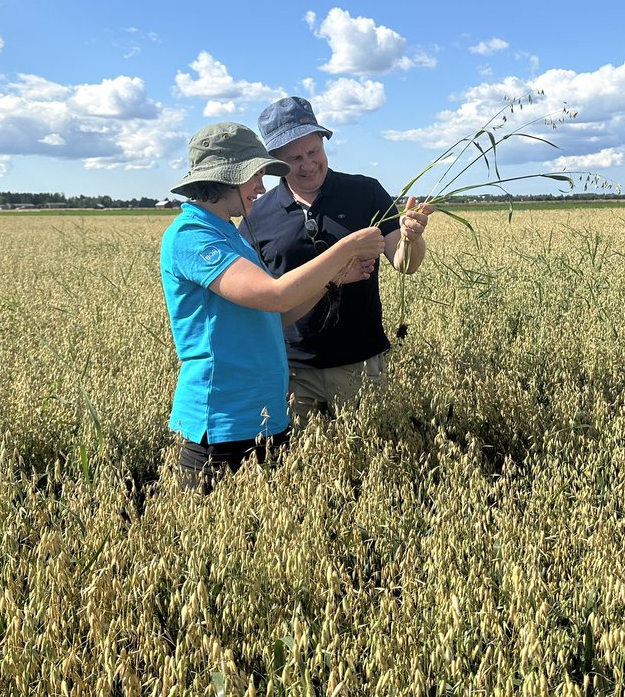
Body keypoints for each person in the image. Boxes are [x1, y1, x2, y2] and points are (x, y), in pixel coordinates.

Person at [160, 122, 384, 488]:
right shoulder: (191, 236)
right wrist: (347, 248)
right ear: (226, 176)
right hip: (223, 426)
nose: (261, 188)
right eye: (253, 176)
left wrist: (335, 279)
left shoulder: (230, 235)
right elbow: (275, 294)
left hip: (265, 417)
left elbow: (276, 315)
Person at [239, 96, 433, 418]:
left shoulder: (365, 192)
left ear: (323, 143)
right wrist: (267, 361)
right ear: (275, 161)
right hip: (291, 371)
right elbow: (257, 300)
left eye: (313, 151)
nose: (307, 164)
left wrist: (413, 236)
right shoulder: (256, 214)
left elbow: (405, 263)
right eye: (294, 158)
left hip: (360, 362)